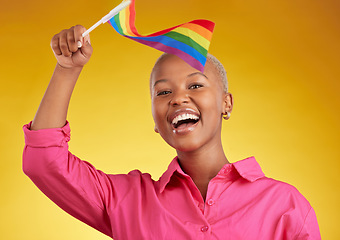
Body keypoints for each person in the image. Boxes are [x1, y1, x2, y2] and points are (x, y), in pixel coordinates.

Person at [23, 25, 321, 239]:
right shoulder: (127, 201)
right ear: (155, 119)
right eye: (163, 92)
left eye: (195, 85)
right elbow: (44, 163)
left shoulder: (285, 205)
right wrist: (66, 69)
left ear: (226, 104)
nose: (178, 98)